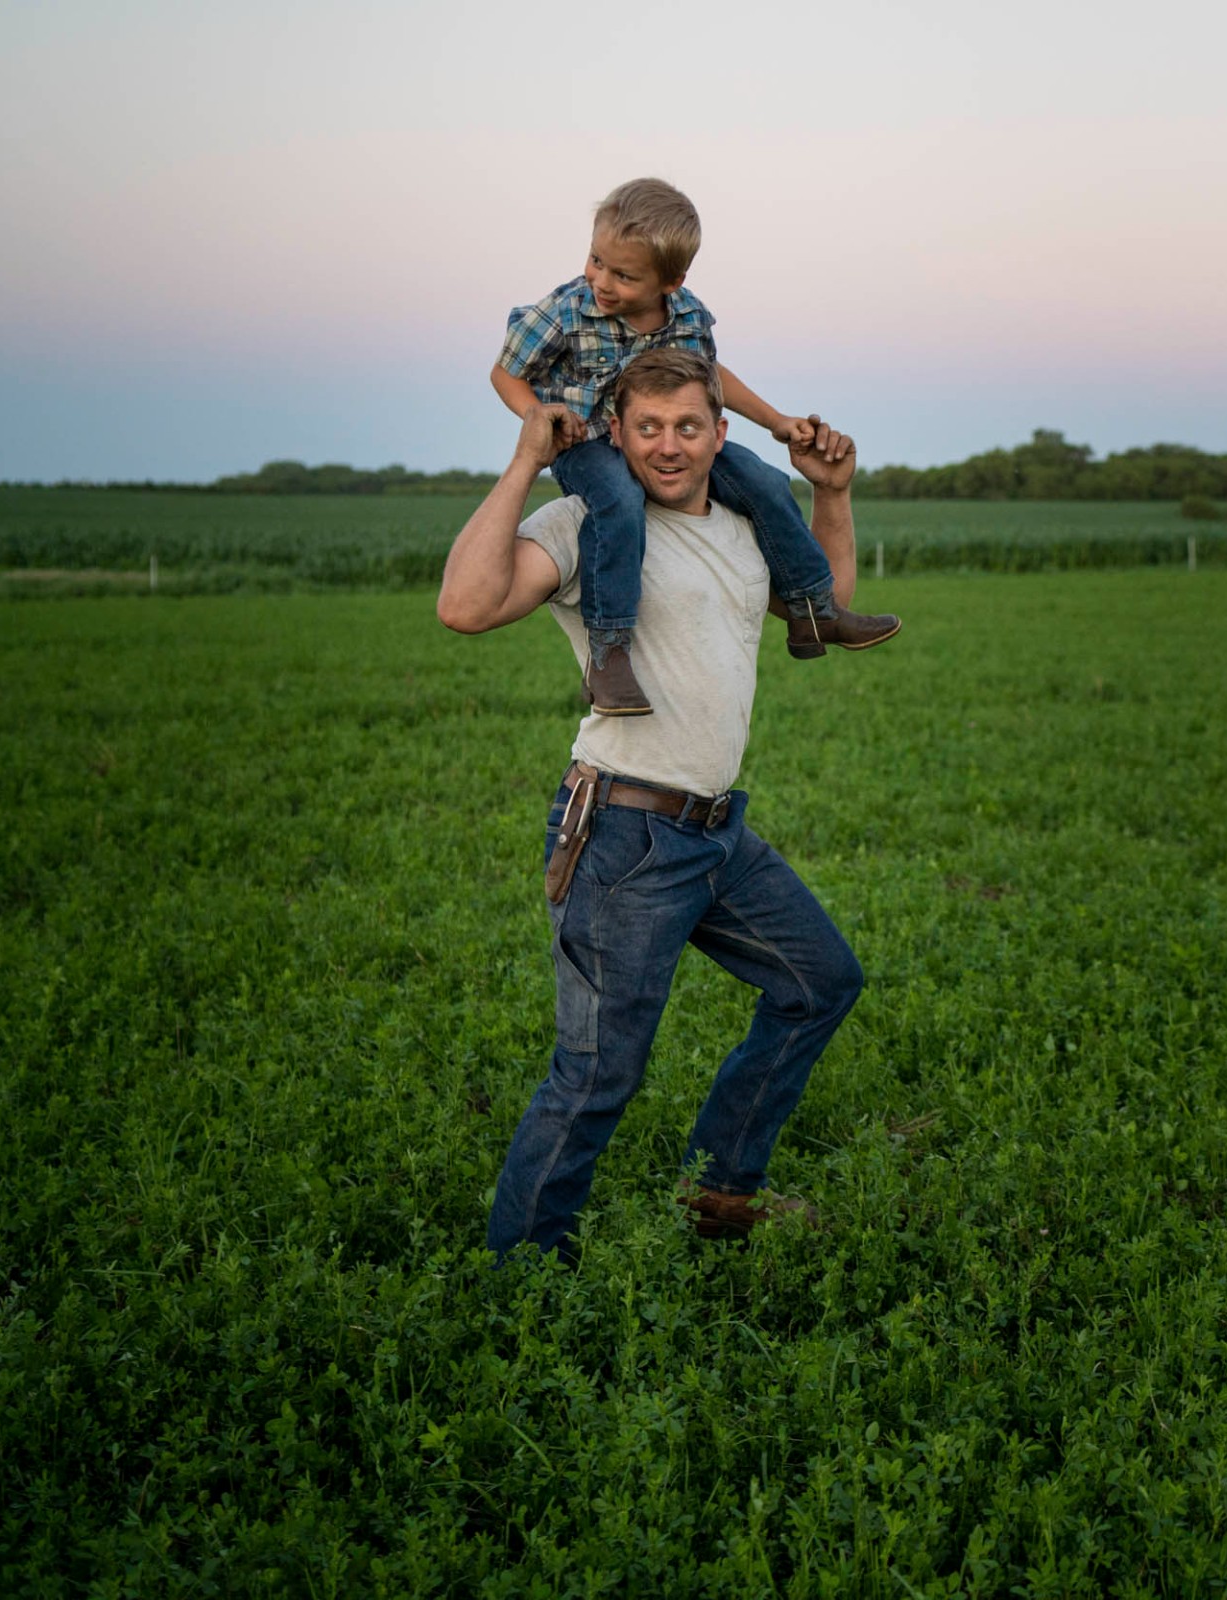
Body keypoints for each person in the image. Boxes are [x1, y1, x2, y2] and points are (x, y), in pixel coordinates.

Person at [440, 348, 866, 1262]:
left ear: (719, 430)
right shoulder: (589, 522)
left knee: (818, 983)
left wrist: (829, 495)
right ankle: (522, 1275)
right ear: (618, 435)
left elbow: (821, 605)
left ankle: (718, 1191)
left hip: (718, 832)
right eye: (647, 429)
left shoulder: (751, 519)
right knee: (597, 1074)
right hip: (626, 835)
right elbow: (465, 608)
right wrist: (525, 461)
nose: (668, 447)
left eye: (687, 427)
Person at [492, 177, 898, 716]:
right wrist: (536, 416)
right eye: (596, 261)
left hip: (665, 437)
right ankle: (609, 654)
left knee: (765, 480)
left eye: (624, 275)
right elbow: (506, 372)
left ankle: (813, 610)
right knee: (617, 500)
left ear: (672, 281)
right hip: (587, 443)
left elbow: (712, 378)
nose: (601, 281)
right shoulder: (565, 310)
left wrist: (776, 421)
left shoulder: (686, 315)